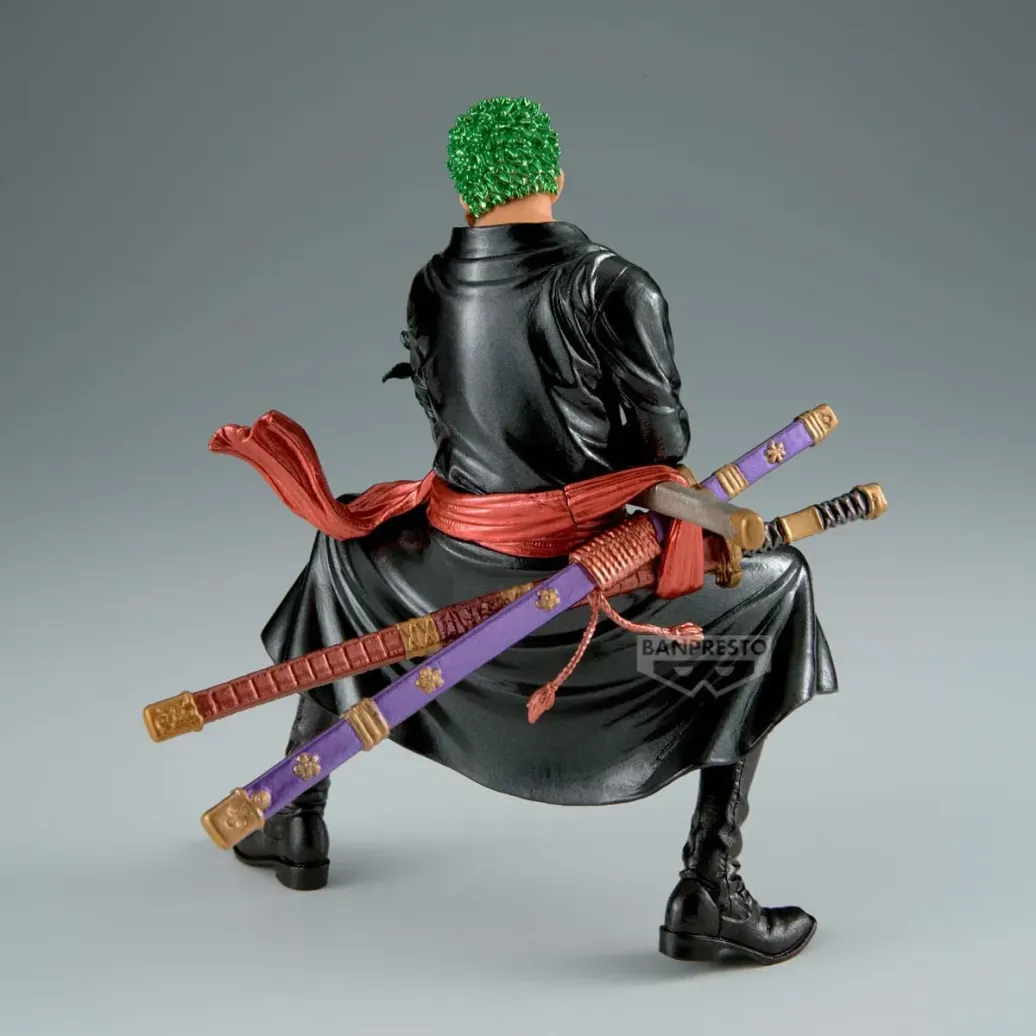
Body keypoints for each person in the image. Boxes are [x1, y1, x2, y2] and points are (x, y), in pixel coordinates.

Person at [230, 97, 836, 965]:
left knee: (347, 546)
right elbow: (662, 451)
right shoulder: (615, 286)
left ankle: (297, 811)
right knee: (781, 587)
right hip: (578, 583)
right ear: (554, 174)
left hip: (443, 572)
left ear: (465, 194)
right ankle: (710, 881)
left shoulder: (430, 284)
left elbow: (450, 422)